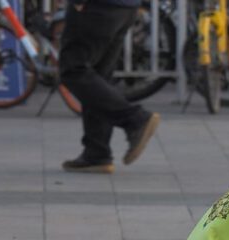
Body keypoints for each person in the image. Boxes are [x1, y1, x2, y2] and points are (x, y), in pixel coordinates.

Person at [59, 0, 160, 173]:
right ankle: (96, 153)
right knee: (99, 75)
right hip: (126, 7)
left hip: (98, 6)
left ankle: (135, 119)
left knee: (74, 70)